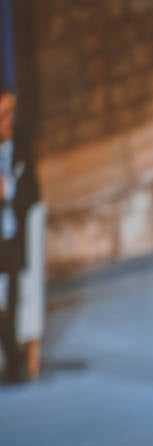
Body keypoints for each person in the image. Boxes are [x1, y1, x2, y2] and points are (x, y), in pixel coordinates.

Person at [0, 88, 39, 384]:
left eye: (11, 113)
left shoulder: (21, 147)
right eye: (3, 115)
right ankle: (10, 355)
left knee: (13, 292)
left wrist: (9, 191)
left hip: (13, 234)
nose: (9, 120)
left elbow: (33, 193)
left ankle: (14, 360)